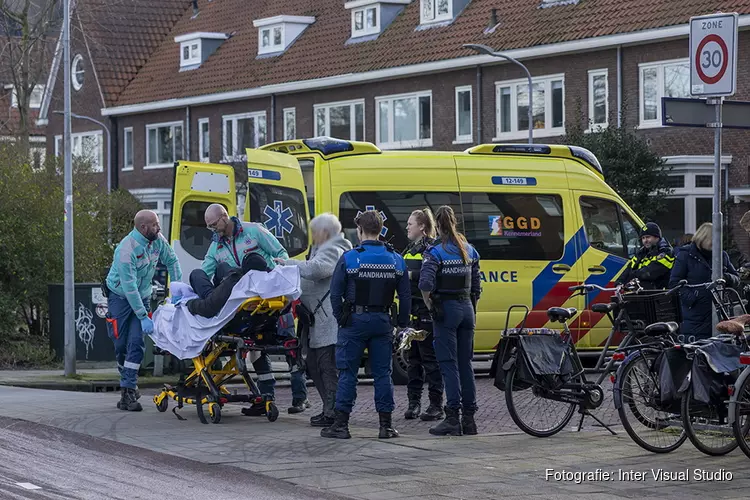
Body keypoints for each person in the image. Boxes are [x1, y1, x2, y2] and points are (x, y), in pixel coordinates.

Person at [190, 204, 309, 416]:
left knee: (289, 347)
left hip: (271, 300)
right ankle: (266, 400)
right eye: (208, 227)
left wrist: (278, 281)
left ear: (224, 217)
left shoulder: (254, 231)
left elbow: (279, 253)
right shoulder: (216, 246)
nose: (212, 230)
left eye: (214, 225)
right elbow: (205, 270)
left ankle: (300, 398)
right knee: (255, 350)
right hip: (247, 307)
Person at [322, 210, 411, 440]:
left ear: (360, 231)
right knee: (383, 374)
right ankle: (386, 426)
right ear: (380, 230)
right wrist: (401, 323)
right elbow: (405, 296)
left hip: (354, 322)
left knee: (348, 373)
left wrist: (340, 316)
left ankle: (341, 425)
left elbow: (335, 292)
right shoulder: (395, 258)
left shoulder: (350, 257)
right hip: (382, 322)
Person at [274, 213, 352, 428]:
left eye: (315, 232)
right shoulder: (328, 249)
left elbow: (318, 269)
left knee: (327, 367)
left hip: (328, 324)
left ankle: (334, 412)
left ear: (324, 232)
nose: (313, 237)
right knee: (315, 366)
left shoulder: (334, 249)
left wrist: (287, 264)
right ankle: (330, 409)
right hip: (320, 322)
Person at [105, 210, 182, 411]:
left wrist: (176, 289)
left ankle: (128, 391)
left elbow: (172, 261)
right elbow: (129, 287)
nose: (159, 228)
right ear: (143, 227)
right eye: (155, 225)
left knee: (136, 343)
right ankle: (128, 383)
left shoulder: (157, 241)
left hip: (143, 295)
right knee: (121, 345)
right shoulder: (126, 250)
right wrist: (142, 315)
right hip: (120, 298)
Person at [419, 205, 481, 436]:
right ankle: (469, 419)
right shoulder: (469, 250)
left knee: (448, 364)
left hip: (446, 310)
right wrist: (470, 308)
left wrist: (431, 306)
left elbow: (425, 284)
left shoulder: (435, 252)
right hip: (467, 309)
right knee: (466, 364)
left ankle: (452, 417)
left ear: (437, 224)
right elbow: (476, 287)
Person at [402, 208, 444, 422]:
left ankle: (436, 405)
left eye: (410, 223)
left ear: (422, 226)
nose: (407, 227)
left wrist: (410, 274)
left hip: (425, 310)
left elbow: (434, 274)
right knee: (413, 359)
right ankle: (414, 403)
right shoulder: (410, 248)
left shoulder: (431, 249)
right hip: (411, 311)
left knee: (430, 359)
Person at [669, 222, 740, 340]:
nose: (716, 243)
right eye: (713, 239)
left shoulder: (722, 255)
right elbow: (674, 283)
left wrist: (725, 277)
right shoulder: (686, 255)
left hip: (720, 311)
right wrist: (694, 298)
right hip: (695, 315)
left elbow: (736, 279)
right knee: (697, 349)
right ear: (703, 238)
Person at [616, 222, 675, 290]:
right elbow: (629, 267)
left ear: (656, 237)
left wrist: (632, 277)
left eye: (648, 237)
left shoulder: (666, 251)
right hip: (643, 292)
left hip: (659, 293)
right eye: (643, 238)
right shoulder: (642, 252)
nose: (645, 240)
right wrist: (620, 282)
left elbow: (650, 272)